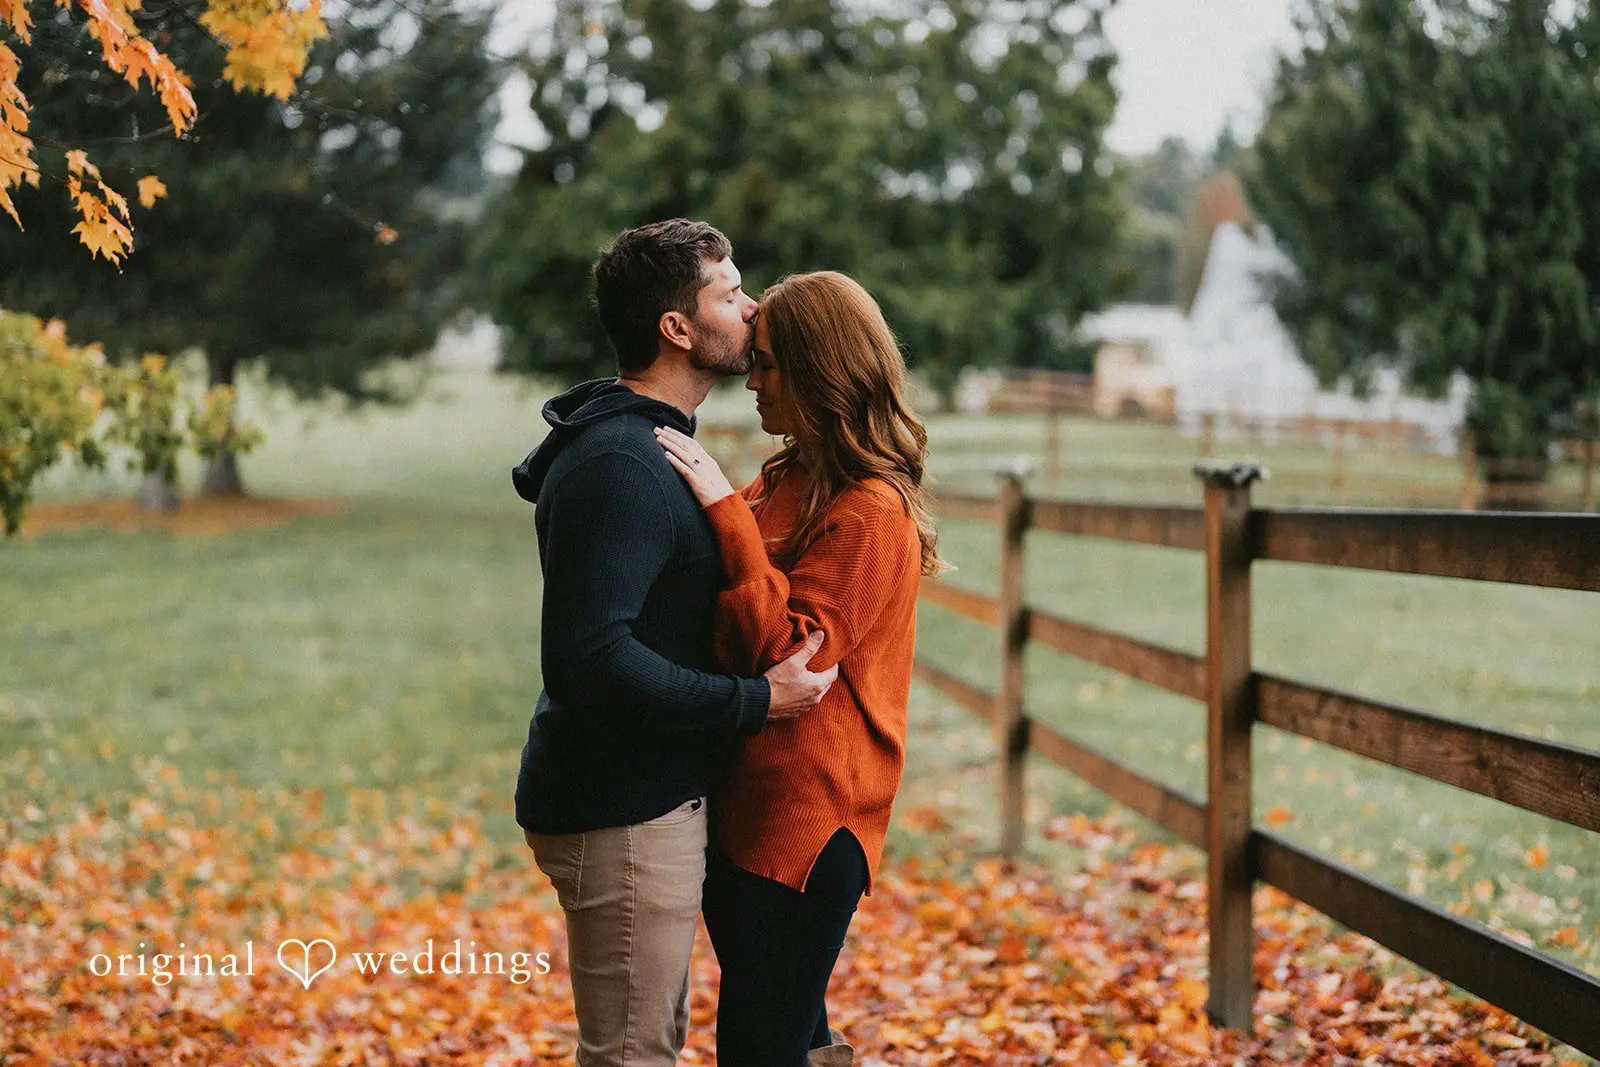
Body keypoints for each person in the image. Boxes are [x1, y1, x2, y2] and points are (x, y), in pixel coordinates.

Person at [511, 220, 840, 1067]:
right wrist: (757, 702)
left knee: (651, 1039)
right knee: (632, 1053)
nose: (753, 307)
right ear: (678, 328)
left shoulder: (658, 445)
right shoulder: (621, 463)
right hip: (620, 807)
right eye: (730, 295)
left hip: (657, 799)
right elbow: (591, 661)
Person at [654, 270, 943, 1067]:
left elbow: (788, 654)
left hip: (808, 824)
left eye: (772, 363)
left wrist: (722, 510)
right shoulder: (788, 479)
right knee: (792, 1037)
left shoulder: (871, 511)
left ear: (825, 371)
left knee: (759, 1046)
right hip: (744, 803)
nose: (753, 379)